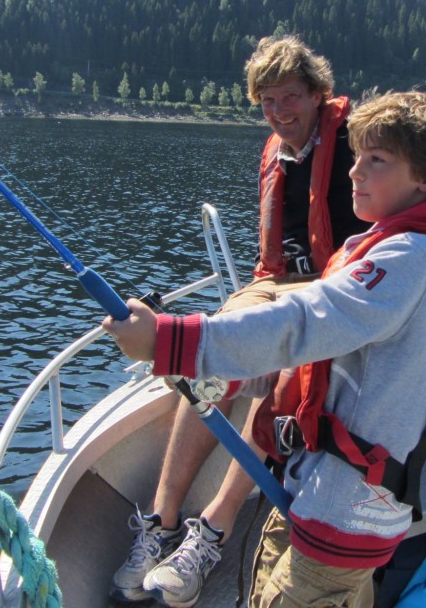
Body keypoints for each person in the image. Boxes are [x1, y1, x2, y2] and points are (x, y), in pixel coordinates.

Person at [104, 90, 426, 607]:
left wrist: (173, 340)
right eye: (356, 156)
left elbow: (304, 323)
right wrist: (222, 376)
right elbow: (323, 365)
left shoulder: (409, 257)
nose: (355, 171)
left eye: (377, 160)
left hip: (342, 514)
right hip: (327, 502)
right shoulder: (413, 248)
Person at [109, 35, 367, 606]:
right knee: (205, 358)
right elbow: (271, 257)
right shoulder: (275, 149)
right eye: (269, 102)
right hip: (274, 280)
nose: (280, 112)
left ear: (318, 93)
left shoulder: (357, 139)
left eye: (291, 97)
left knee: (282, 372)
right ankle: (162, 521)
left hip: (333, 288)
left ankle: (215, 528)